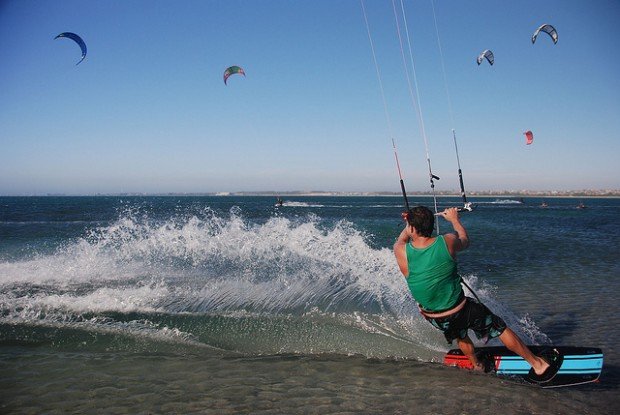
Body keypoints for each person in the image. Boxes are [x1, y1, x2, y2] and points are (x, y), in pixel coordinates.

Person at [393, 206, 561, 382]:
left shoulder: (401, 250)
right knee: (498, 328)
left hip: (435, 317)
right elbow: (465, 240)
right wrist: (454, 219)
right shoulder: (447, 241)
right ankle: (538, 365)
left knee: (460, 334)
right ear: (431, 226)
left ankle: (477, 365)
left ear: (411, 227)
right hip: (461, 309)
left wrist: (408, 223)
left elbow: (402, 238)